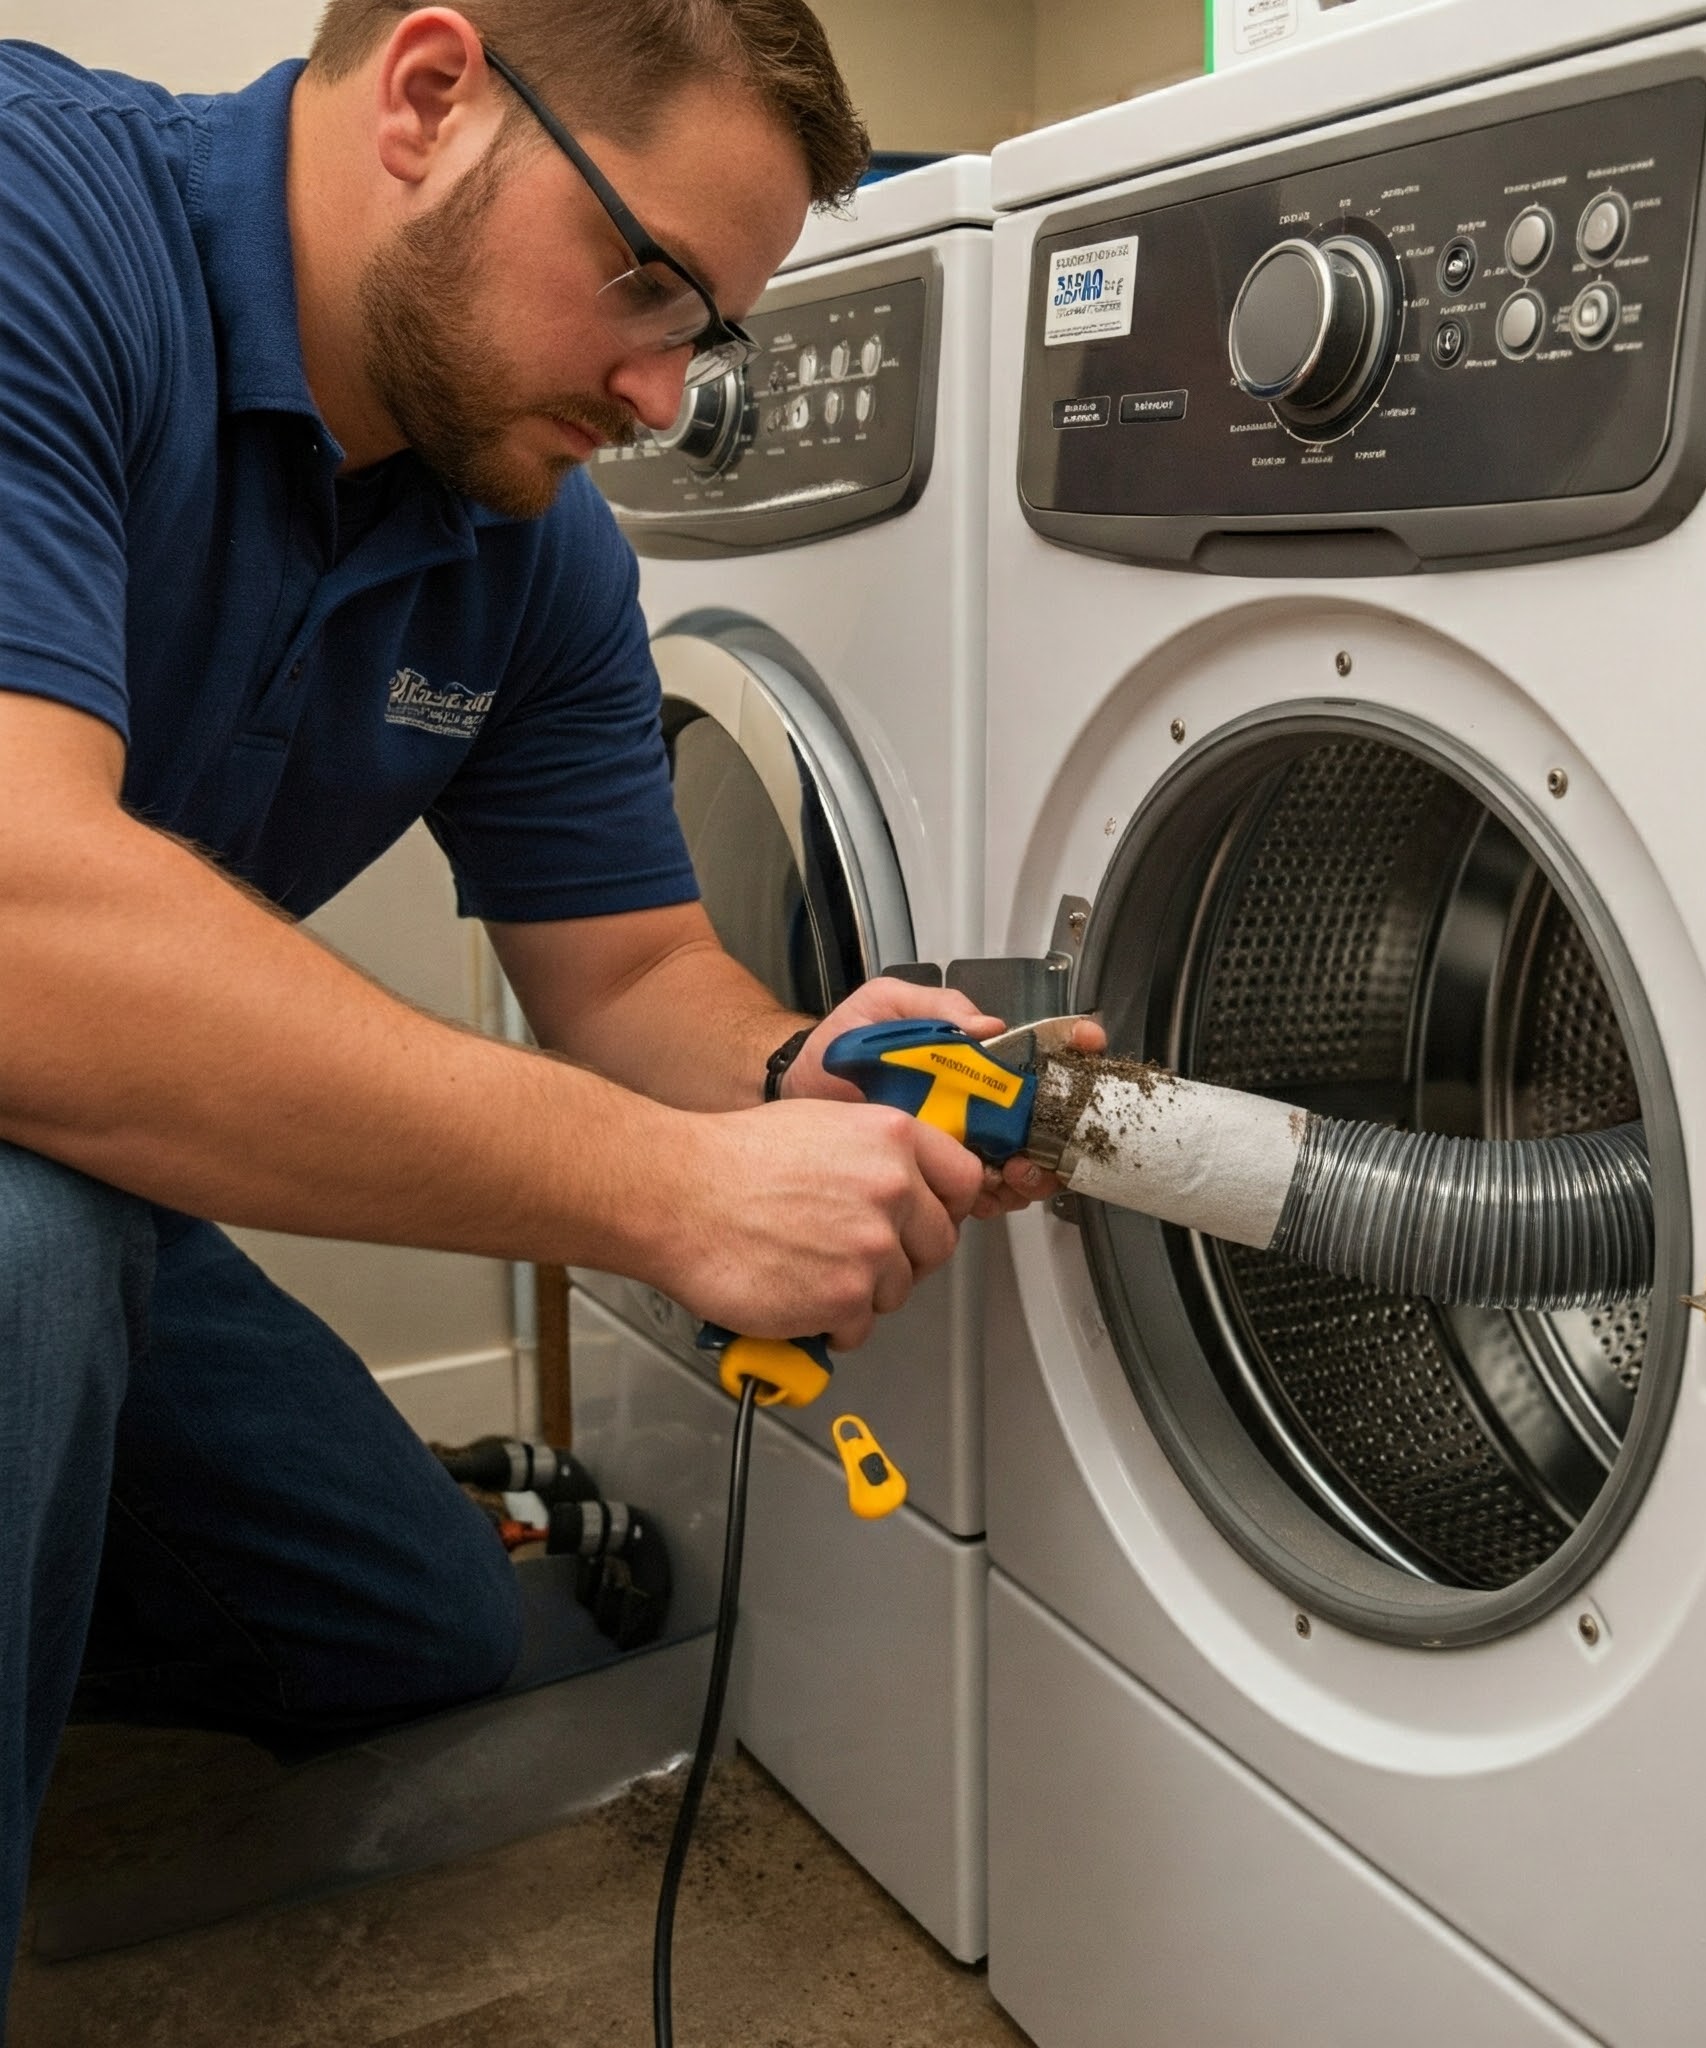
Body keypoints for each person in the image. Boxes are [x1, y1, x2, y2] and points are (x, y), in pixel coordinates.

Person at [0, 0, 1081, 1992]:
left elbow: (633, 973)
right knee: (29, 1247)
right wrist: (674, 1197)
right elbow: (20, 927)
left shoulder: (527, 551)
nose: (666, 393)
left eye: (709, 330)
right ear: (429, 96)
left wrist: (791, 1069)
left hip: (82, 1167)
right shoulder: (40, 229)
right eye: (648, 283)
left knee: (418, 1636)